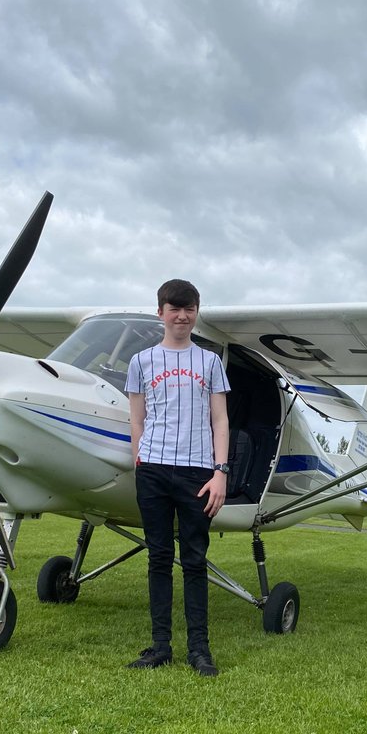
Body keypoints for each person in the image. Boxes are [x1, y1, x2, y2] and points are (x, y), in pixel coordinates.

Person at [123, 279, 231, 676]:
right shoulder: (141, 362)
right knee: (158, 558)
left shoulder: (210, 363)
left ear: (196, 313)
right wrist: (140, 458)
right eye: (174, 308)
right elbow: (137, 418)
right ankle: (160, 646)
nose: (182, 315)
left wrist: (220, 472)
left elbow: (220, 421)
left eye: (189, 309)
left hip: (198, 472)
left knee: (195, 560)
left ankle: (199, 650)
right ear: (161, 313)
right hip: (152, 469)